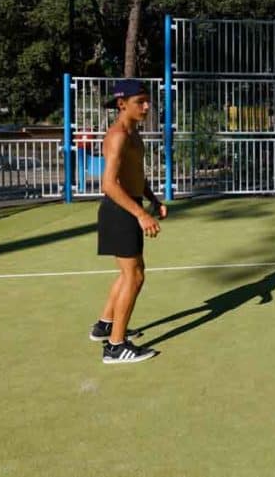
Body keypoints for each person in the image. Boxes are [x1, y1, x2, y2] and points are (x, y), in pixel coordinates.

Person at [88, 79, 167, 364]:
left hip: (127, 207)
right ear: (122, 104)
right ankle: (115, 346)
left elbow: (136, 175)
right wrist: (141, 214)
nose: (146, 107)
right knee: (135, 276)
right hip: (119, 210)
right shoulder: (118, 136)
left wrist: (153, 200)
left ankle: (105, 326)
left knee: (128, 273)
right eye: (139, 102)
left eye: (147, 101)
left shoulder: (135, 135)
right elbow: (109, 184)